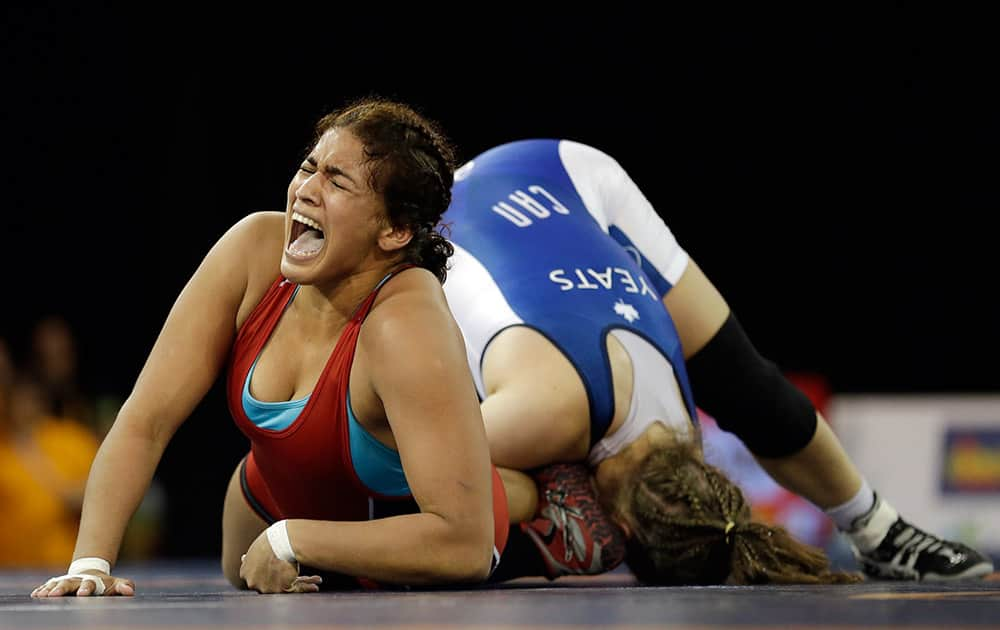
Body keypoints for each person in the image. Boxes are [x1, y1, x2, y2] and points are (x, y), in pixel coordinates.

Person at [441, 138, 994, 583]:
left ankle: (877, 529)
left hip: (554, 175)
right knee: (744, 383)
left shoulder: (682, 440)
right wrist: (529, 503)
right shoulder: (544, 418)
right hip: (509, 196)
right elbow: (403, 477)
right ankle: (878, 529)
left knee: (743, 388)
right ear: (623, 531)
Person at [31, 97, 508, 597]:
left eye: (337, 181)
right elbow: (145, 421)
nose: (306, 190)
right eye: (308, 167)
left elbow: (464, 546)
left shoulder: (405, 323)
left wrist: (292, 537)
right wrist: (90, 563)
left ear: (394, 230)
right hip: (276, 497)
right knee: (240, 571)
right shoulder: (252, 251)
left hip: (407, 538)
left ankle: (549, 509)